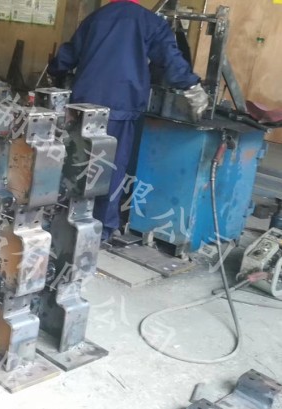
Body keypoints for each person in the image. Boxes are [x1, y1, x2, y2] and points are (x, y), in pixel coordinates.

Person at [48, 0, 208, 241]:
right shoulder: (150, 22)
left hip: (84, 104)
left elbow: (67, 56)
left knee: (77, 162)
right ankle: (101, 228)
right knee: (112, 168)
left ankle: (67, 219)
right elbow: (170, 58)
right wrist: (192, 87)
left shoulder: (95, 19)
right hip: (121, 105)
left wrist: (56, 74)